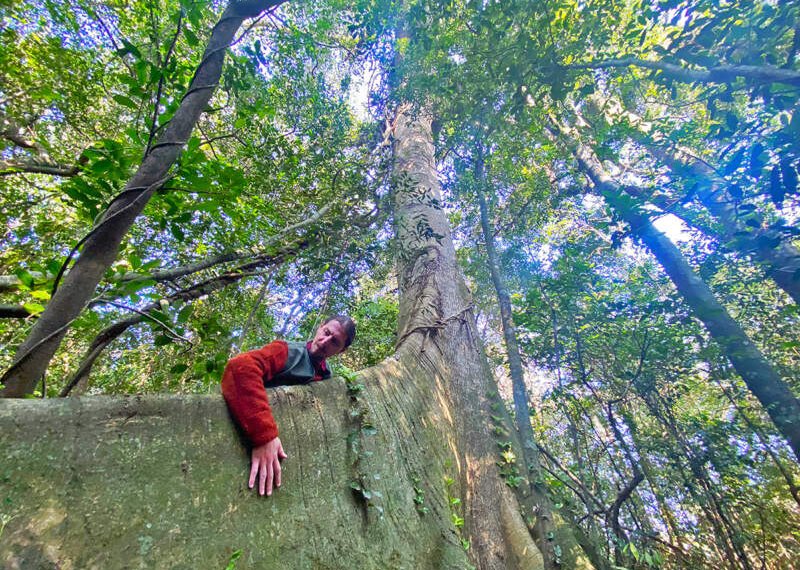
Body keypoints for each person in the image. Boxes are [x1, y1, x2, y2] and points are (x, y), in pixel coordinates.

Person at [221, 315, 356, 497]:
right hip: (248, 432)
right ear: (321, 326)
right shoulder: (286, 351)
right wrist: (265, 436)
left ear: (342, 351)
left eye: (335, 342)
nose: (325, 342)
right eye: (326, 333)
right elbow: (240, 368)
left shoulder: (326, 376)